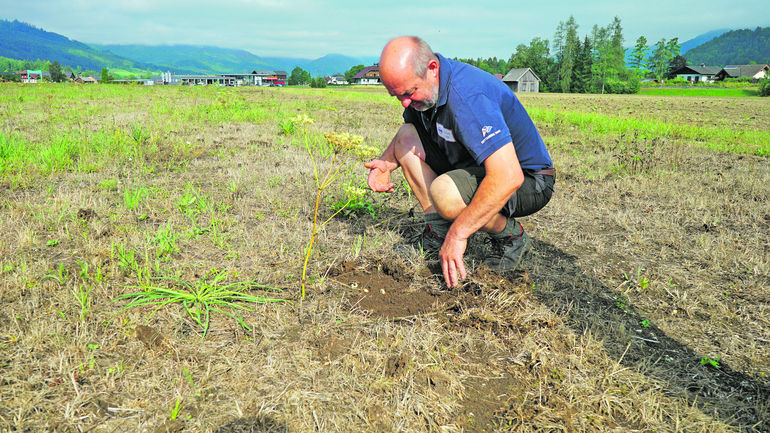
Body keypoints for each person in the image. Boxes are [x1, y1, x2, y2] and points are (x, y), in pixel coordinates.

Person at [365, 36, 554, 288]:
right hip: (476, 166)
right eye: (396, 96)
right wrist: (386, 163)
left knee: (444, 192)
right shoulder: (427, 92)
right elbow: (409, 135)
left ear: (432, 69)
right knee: (405, 136)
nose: (405, 102)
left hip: (531, 180)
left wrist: (459, 234)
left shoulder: (468, 96)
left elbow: (509, 176)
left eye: (409, 93)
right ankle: (437, 229)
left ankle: (511, 237)